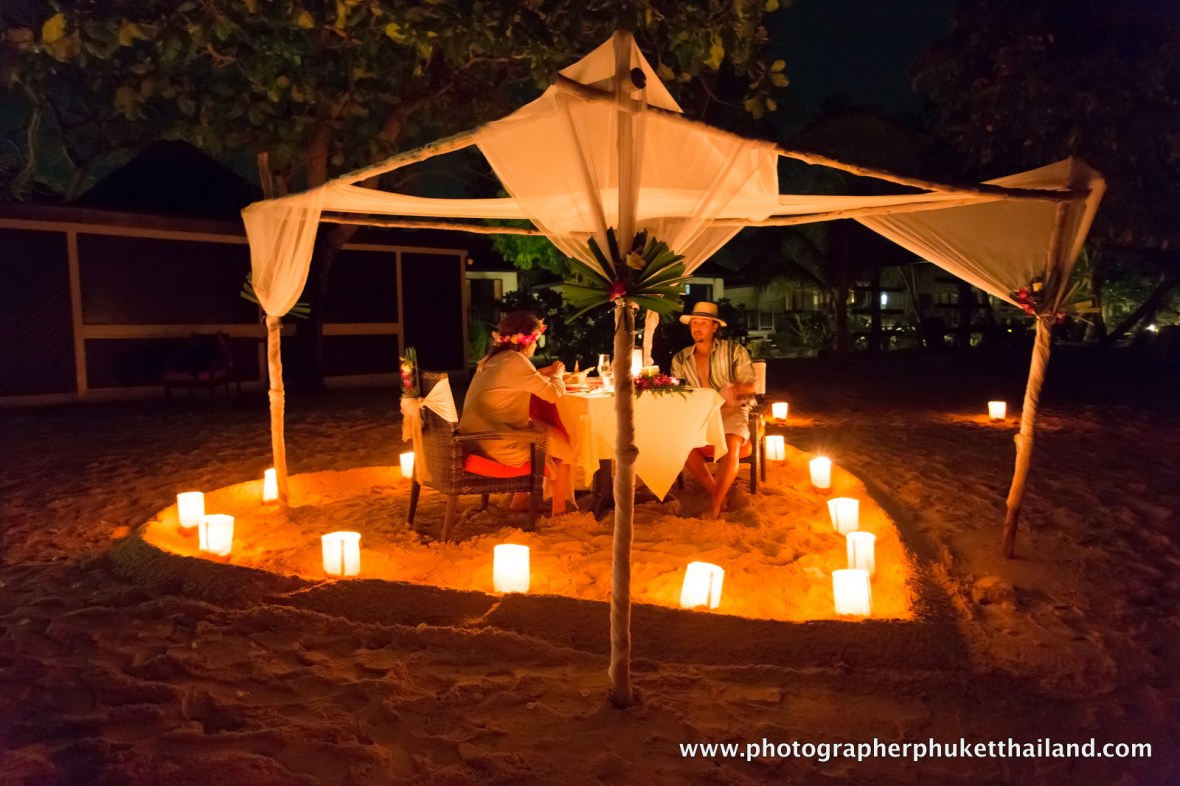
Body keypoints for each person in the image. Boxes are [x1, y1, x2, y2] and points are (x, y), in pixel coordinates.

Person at [459, 311, 574, 516]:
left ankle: (520, 500)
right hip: (498, 444)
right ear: (526, 340)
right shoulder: (515, 360)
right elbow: (554, 394)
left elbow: (516, 380)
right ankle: (560, 509)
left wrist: (542, 374)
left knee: (538, 429)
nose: (536, 345)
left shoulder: (492, 358)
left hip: (476, 440)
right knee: (561, 442)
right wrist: (557, 375)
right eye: (536, 340)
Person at [670, 301, 756, 519]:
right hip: (700, 414)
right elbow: (679, 392)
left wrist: (735, 389)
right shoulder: (680, 358)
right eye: (694, 323)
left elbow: (751, 385)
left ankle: (715, 505)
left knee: (731, 444)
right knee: (681, 444)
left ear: (714, 327)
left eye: (703, 323)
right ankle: (716, 492)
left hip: (731, 409)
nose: (697, 327)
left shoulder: (734, 350)